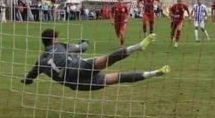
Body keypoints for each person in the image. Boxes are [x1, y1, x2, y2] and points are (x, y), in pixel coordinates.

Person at [22, 30, 168, 91]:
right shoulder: (59, 46)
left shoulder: (40, 61)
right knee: (107, 60)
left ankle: (154, 73)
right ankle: (138, 47)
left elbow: (30, 77)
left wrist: (26, 80)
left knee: (117, 78)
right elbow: (82, 47)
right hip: (77, 68)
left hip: (75, 84)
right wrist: (85, 41)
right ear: (54, 39)